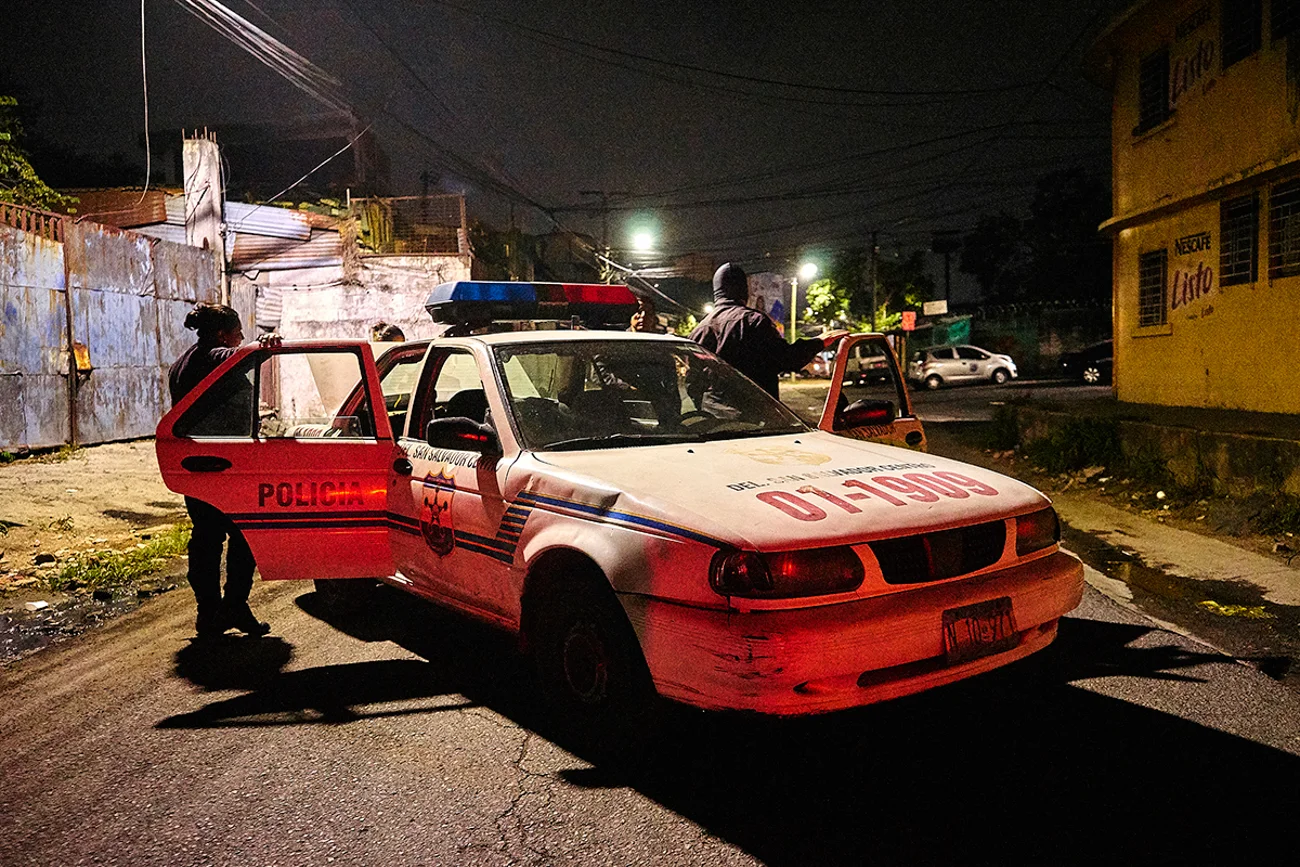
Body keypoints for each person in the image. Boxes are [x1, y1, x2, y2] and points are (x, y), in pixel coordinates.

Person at [168, 303, 273, 639]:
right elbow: (236, 356)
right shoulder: (213, 356)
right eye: (237, 332)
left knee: (207, 536)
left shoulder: (181, 362)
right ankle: (232, 606)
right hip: (224, 465)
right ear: (222, 334)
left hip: (197, 464)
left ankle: (210, 612)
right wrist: (262, 346)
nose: (241, 337)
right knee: (242, 533)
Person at [689, 262, 847, 399]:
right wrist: (819, 342)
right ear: (744, 291)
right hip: (755, 417)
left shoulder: (698, 331)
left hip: (712, 418)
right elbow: (786, 358)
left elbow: (692, 383)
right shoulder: (754, 321)